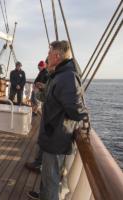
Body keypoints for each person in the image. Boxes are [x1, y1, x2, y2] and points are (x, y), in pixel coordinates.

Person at [28, 40, 89, 200]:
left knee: (51, 180)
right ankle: (43, 196)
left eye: (49, 54)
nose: (47, 57)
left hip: (56, 137)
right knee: (48, 176)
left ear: (56, 56)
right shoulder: (61, 75)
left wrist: (83, 117)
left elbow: (76, 110)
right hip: (53, 134)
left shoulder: (67, 77)